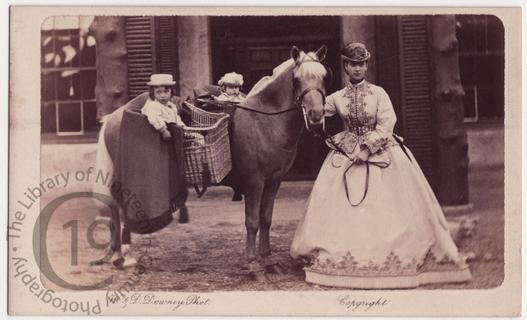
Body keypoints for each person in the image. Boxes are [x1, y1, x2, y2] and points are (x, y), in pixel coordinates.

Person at [290, 42, 472, 289]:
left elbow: (387, 124)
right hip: (347, 151)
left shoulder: (378, 94)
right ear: (345, 66)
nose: (357, 68)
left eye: (361, 64)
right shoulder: (336, 98)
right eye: (352, 64)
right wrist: (310, 103)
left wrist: (366, 150)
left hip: (381, 153)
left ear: (366, 66)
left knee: (390, 207)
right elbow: (318, 111)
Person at [141, 74, 185, 141]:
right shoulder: (153, 105)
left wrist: (183, 127)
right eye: (158, 92)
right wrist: (163, 130)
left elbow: (177, 118)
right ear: (153, 93)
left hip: (174, 132)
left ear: (171, 92)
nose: (162, 95)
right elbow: (154, 117)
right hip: (161, 134)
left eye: (166, 92)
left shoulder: (171, 106)